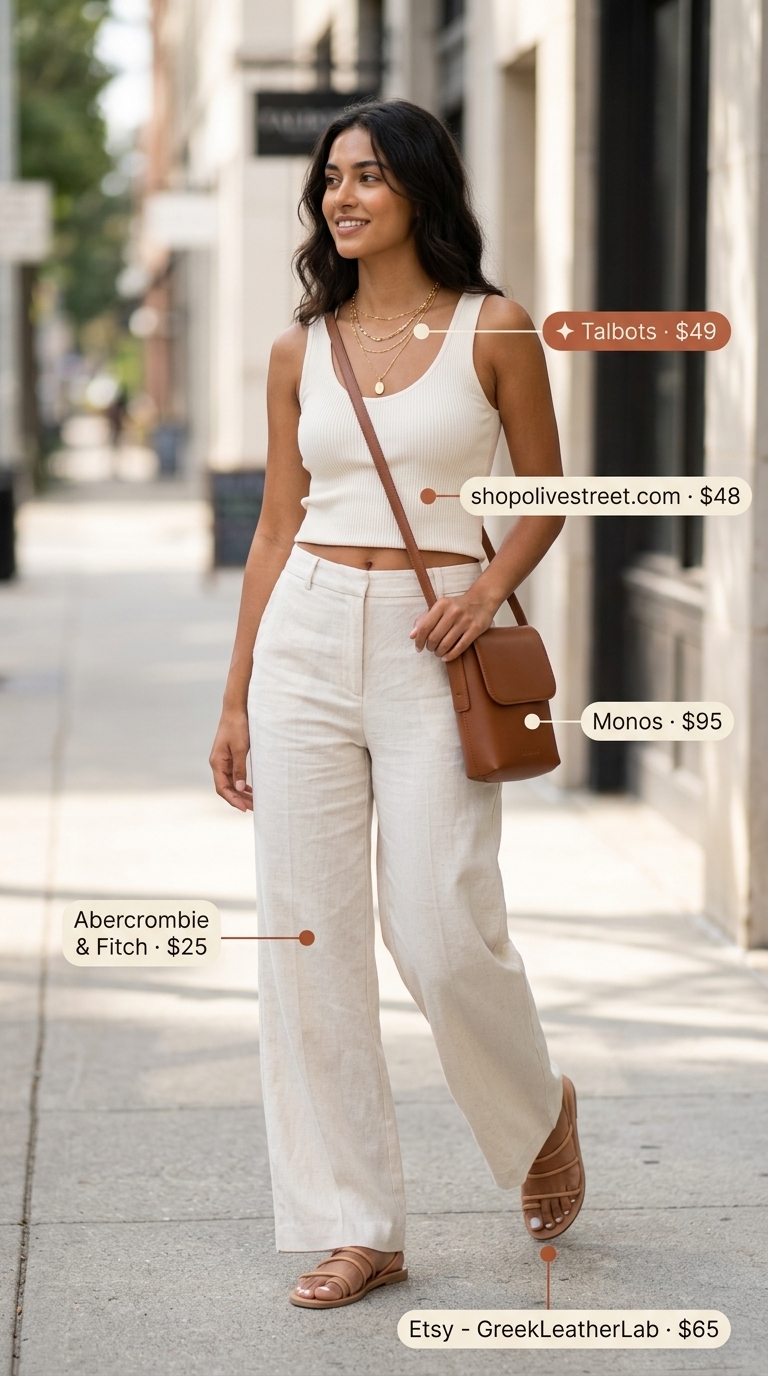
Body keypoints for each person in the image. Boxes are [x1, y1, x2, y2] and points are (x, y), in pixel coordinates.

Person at [209, 98, 585, 1311]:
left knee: (438, 920)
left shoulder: (496, 326)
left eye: (369, 175)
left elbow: (547, 492)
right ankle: (354, 1221)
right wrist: (237, 696)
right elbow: (274, 525)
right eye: (331, 179)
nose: (344, 195)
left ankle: (538, 1108)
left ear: (421, 187)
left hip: (437, 640)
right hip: (307, 634)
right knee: (309, 937)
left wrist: (488, 586)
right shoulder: (297, 348)